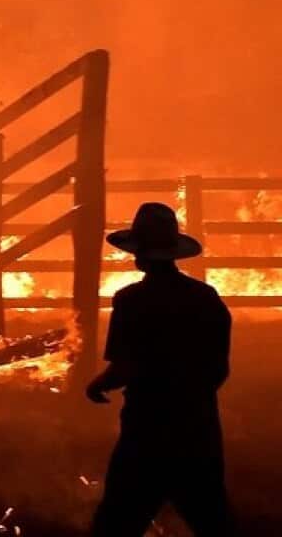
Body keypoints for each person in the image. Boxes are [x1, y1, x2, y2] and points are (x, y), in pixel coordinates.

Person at [87, 202, 233, 536]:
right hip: (198, 424)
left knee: (118, 518)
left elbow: (124, 366)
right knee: (212, 517)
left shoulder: (131, 300)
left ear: (139, 252)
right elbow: (218, 369)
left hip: (146, 426)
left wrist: (96, 385)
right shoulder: (206, 297)